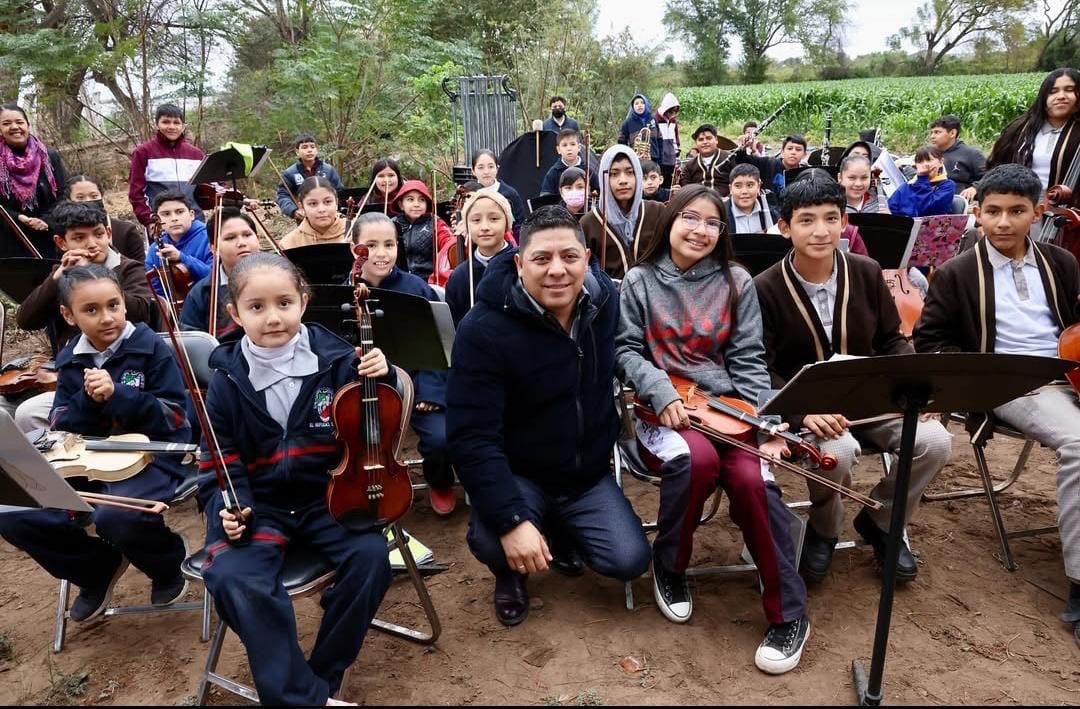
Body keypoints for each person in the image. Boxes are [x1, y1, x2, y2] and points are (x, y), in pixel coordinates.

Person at [614, 184, 810, 674]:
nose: (700, 230)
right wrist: (659, 389)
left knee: (752, 479)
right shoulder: (639, 280)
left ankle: (790, 613)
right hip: (664, 409)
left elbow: (748, 359)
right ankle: (670, 565)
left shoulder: (736, 281)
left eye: (712, 223)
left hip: (729, 407)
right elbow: (625, 350)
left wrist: (766, 423)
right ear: (670, 220)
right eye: (690, 218)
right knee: (695, 460)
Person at [196, 252, 394, 705]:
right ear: (235, 314)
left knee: (371, 558)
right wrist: (229, 508)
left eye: (284, 303)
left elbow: (370, 434)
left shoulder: (339, 361)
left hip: (329, 496)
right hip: (259, 505)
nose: (273, 317)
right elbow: (220, 461)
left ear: (303, 302)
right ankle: (309, 699)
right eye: (257, 307)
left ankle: (317, 680)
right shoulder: (225, 378)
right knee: (232, 575)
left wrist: (377, 381)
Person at [447, 206, 651, 627]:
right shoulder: (482, 329)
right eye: (541, 259)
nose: (557, 270)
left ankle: (559, 529)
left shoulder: (604, 303)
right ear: (519, 263)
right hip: (519, 472)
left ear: (587, 259)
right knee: (494, 538)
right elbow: (471, 437)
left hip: (585, 474)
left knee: (628, 559)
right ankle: (509, 572)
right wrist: (511, 520)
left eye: (569, 257)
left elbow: (627, 357)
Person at [913, 163, 1080, 645]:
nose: (1004, 222)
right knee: (1079, 444)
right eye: (993, 211)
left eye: (1016, 211)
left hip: (1071, 369)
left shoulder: (1061, 262)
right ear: (978, 213)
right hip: (1014, 384)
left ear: (1037, 212)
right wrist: (979, 373)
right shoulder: (957, 272)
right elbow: (930, 341)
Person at [755, 176, 951, 584]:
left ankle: (882, 521)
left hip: (873, 399)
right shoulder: (765, 287)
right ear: (784, 227)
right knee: (838, 452)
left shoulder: (866, 271)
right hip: (813, 412)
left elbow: (892, 339)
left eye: (831, 218)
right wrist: (801, 412)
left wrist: (918, 388)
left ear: (845, 222)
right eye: (806, 220)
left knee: (935, 441)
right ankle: (825, 528)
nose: (821, 230)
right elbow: (762, 365)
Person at [0, 264, 190, 623]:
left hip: (149, 458)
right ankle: (96, 569)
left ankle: (166, 564)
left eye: (113, 305)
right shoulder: (72, 357)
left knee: (117, 516)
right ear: (68, 315)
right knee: (14, 511)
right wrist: (88, 401)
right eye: (91, 310)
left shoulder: (151, 348)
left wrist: (120, 396)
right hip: (84, 460)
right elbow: (59, 421)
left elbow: (176, 419)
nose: (106, 317)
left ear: (124, 303)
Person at [5, 200, 156, 431]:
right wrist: (57, 278)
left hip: (127, 373)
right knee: (23, 412)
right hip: (74, 376)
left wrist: (97, 282)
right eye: (79, 238)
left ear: (108, 233)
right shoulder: (62, 275)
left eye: (98, 234)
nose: (92, 244)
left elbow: (143, 311)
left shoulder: (128, 268)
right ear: (61, 242)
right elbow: (26, 320)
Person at [351, 212, 455, 514]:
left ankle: (439, 480)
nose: (381, 254)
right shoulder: (346, 289)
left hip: (416, 381)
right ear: (354, 248)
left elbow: (436, 349)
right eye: (371, 245)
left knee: (441, 438)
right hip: (363, 385)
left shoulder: (415, 288)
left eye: (389, 244)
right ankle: (362, 487)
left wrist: (429, 393)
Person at [987, 67, 1079, 197]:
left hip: (1067, 207)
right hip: (1020, 202)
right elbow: (997, 167)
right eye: (1053, 91)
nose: (1061, 96)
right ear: (1043, 96)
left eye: (1069, 90)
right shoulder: (1019, 129)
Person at [579, 145, 665, 279]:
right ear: (603, 178)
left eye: (630, 172)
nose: (623, 181)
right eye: (614, 174)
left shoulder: (657, 211)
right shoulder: (588, 223)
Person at [179, 208, 260, 341]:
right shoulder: (200, 294)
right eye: (230, 238)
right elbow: (192, 343)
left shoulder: (282, 277)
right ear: (213, 248)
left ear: (258, 238)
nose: (242, 243)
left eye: (247, 235)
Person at [0, 103, 67, 258]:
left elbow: (64, 194)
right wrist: (19, 218)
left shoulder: (49, 157)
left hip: (51, 235)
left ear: (28, 125)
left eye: (19, 122)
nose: (14, 127)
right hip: (11, 238)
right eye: (6, 123)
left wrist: (46, 221)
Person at [445, 187, 517, 325]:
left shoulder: (521, 267)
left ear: (507, 224)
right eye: (476, 220)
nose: (484, 227)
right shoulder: (459, 276)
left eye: (494, 219)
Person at [127, 103, 205, 228]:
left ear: (183, 126)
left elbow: (211, 186)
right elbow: (136, 193)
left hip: (195, 222)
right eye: (166, 122)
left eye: (176, 122)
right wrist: (150, 220)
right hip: (161, 223)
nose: (171, 127)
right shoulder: (143, 152)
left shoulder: (196, 154)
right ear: (156, 124)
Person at [145, 190, 213, 295]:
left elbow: (215, 276)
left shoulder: (210, 237)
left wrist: (182, 257)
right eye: (166, 214)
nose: (174, 218)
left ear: (191, 215)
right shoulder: (155, 249)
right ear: (157, 219)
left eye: (180, 212)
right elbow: (156, 289)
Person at [65, 174, 145, 262]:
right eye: (80, 198)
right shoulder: (65, 234)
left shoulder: (126, 231)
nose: (88, 201)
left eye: (94, 196)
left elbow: (140, 265)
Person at [391, 179, 454, 284]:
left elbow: (449, 243)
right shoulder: (392, 224)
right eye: (410, 199)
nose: (416, 204)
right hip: (397, 280)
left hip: (427, 282)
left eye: (422, 200)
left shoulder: (436, 222)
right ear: (401, 204)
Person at [276, 133, 343, 222]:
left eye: (312, 147)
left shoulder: (329, 170)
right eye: (305, 147)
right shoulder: (290, 173)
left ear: (316, 150)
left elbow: (339, 192)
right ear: (297, 151)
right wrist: (293, 211)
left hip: (329, 217)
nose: (309, 150)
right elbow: (282, 195)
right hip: (304, 220)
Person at [280, 176, 348, 249]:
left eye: (328, 202)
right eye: (313, 203)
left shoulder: (353, 232)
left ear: (336, 202)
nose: (321, 209)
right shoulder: (289, 244)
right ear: (302, 206)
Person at [887, 145, 956, 218]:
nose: (925, 165)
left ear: (941, 162)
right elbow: (892, 207)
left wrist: (923, 177)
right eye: (920, 161)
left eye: (929, 160)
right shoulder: (908, 185)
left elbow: (926, 211)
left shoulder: (947, 186)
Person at [928, 115, 986, 195]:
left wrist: (975, 187)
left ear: (952, 133)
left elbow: (990, 176)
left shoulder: (971, 154)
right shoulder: (929, 155)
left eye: (937, 132)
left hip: (959, 199)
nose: (932, 136)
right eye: (931, 133)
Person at [736, 134, 808, 197]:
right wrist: (742, 147)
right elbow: (743, 161)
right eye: (789, 149)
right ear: (782, 151)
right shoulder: (768, 163)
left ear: (804, 154)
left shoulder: (807, 174)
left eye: (798, 149)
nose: (793, 152)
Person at [470, 149, 527, 230]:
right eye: (481, 167)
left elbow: (521, 225)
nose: (486, 172)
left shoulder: (510, 194)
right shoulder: (468, 193)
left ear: (497, 168)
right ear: (473, 171)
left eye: (491, 166)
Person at [540, 129, 599, 195]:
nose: (569, 148)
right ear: (558, 149)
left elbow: (598, 191)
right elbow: (545, 195)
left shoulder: (588, 170)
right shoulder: (553, 173)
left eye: (573, 144)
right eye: (564, 145)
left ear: (579, 147)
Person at [725, 163, 778, 234]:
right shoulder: (721, 214)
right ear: (730, 189)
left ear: (758, 187)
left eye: (750, 185)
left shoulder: (772, 212)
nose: (744, 191)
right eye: (738, 186)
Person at [680, 124, 732, 196]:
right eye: (701, 139)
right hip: (698, 200)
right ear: (696, 143)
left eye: (709, 138)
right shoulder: (690, 165)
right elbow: (686, 187)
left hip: (725, 200)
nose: (705, 142)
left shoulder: (730, 158)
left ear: (716, 140)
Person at [652, 93, 681, 187]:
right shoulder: (654, 120)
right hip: (660, 159)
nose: (672, 114)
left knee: (670, 184)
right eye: (671, 111)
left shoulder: (673, 121)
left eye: (675, 111)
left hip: (671, 158)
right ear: (666, 109)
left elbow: (675, 138)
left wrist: (677, 152)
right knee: (660, 183)